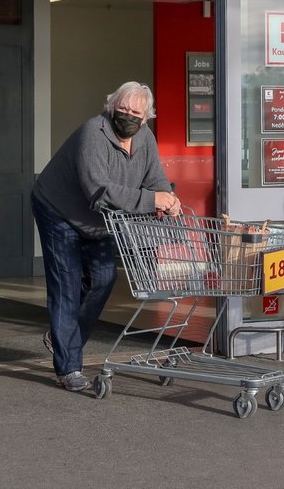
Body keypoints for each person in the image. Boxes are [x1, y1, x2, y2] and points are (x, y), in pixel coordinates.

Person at [32, 81, 179, 392]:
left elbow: (155, 177)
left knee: (103, 279)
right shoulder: (93, 134)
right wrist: (152, 201)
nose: (126, 116)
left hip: (98, 221)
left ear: (146, 117)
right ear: (111, 107)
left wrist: (168, 197)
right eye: (121, 110)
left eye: (134, 113)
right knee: (67, 284)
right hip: (59, 210)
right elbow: (99, 191)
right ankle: (68, 366)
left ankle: (61, 338)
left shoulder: (145, 139)